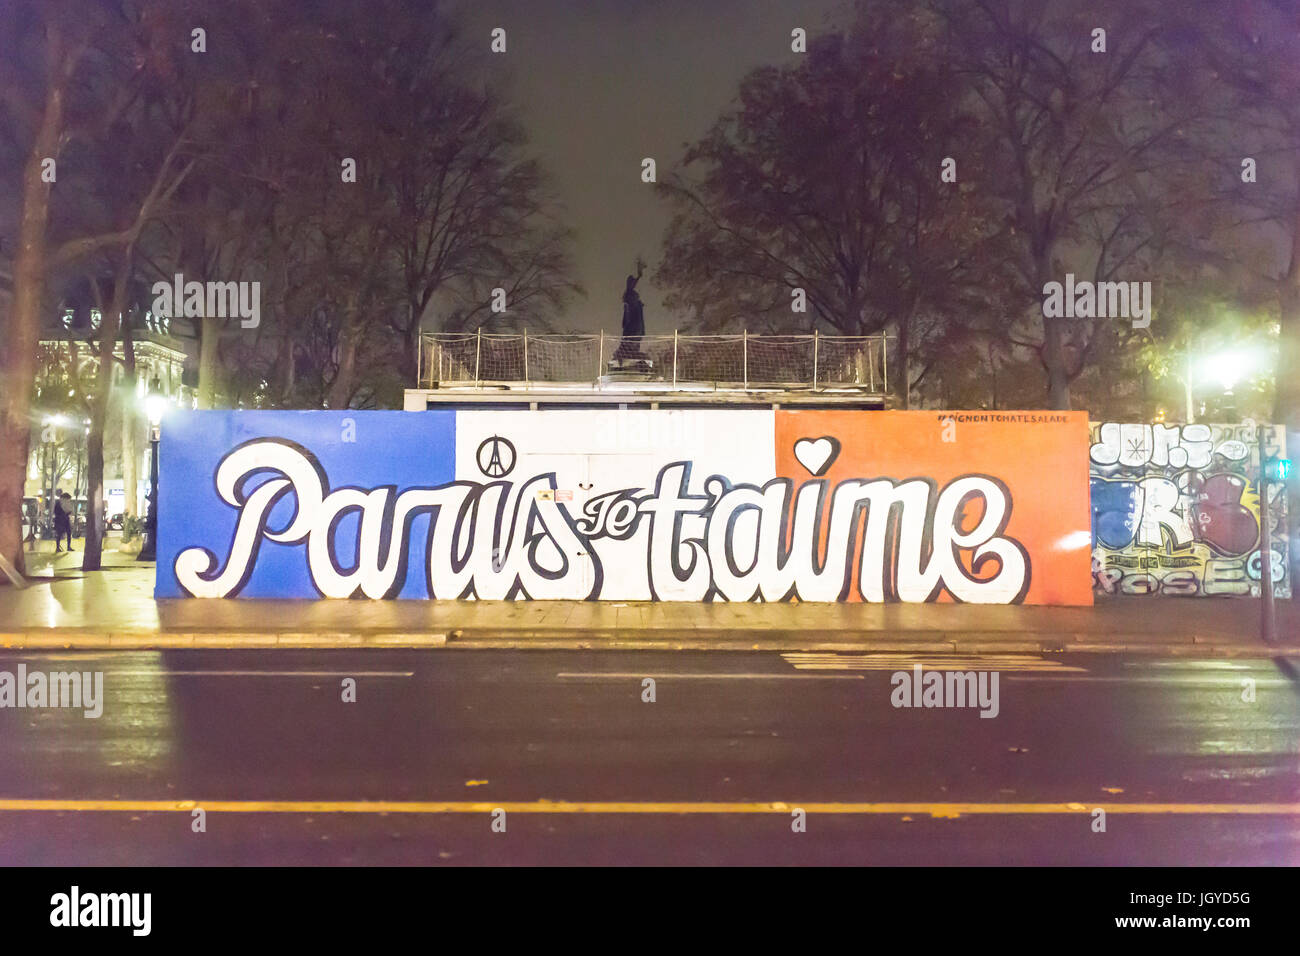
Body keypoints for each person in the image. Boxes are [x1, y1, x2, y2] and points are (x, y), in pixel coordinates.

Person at [614, 258, 646, 360]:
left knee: (636, 333)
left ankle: (631, 350)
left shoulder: (634, 301)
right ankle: (628, 351)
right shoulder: (629, 296)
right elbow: (633, 284)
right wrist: (639, 275)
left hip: (635, 321)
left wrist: (639, 275)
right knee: (632, 334)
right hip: (631, 322)